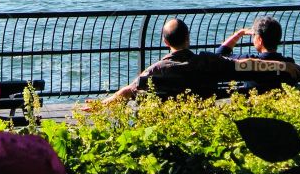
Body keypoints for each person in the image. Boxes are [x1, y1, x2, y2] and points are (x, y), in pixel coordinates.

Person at [83, 17, 237, 108]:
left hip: (169, 120)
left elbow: (128, 91)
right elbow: (239, 64)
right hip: (203, 117)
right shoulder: (207, 61)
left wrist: (101, 105)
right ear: (188, 37)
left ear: (165, 41)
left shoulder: (157, 69)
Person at [216, 15, 300, 88]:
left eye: (254, 35)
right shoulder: (290, 64)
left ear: (259, 39)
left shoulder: (247, 61)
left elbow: (219, 56)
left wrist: (240, 33)